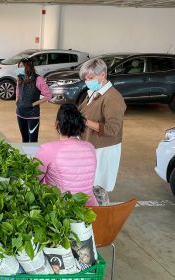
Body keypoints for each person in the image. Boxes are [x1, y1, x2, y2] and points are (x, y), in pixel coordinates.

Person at [78, 58, 126, 206]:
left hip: (103, 150)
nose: (87, 81)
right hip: (91, 146)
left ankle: (101, 220)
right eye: (85, 79)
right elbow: (81, 112)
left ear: (103, 75)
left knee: (97, 188)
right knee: (88, 187)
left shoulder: (113, 98)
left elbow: (112, 129)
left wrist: (84, 122)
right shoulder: (93, 92)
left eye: (90, 78)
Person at [36, 104, 98, 206]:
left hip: (60, 210)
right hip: (88, 209)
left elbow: (35, 177)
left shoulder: (48, 149)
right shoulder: (90, 147)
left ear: (57, 124)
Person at [16, 58, 51, 142]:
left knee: (32, 140)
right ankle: (25, 155)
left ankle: (32, 155)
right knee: (24, 139)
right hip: (20, 113)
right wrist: (17, 101)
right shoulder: (19, 78)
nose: (20, 68)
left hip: (32, 115)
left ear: (28, 67)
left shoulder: (38, 79)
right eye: (19, 66)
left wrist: (33, 104)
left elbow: (48, 96)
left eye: (22, 66)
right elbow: (17, 90)